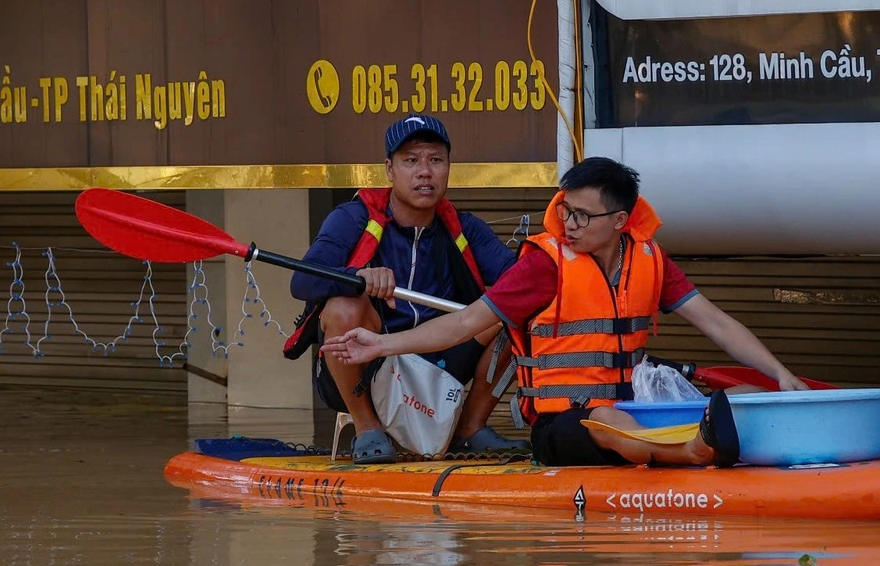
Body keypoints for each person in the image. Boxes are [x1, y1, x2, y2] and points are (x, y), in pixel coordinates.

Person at [322, 156, 810, 468]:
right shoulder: (544, 264)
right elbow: (468, 322)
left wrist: (781, 375)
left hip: (633, 408)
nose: (568, 224)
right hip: (562, 427)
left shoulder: (649, 260)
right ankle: (688, 452)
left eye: (581, 215)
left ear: (620, 221)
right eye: (565, 210)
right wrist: (383, 343)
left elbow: (717, 322)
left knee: (746, 393)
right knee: (607, 420)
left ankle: (769, 438)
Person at [285, 113, 527, 464]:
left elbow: (518, 281)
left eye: (435, 160)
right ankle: (367, 428)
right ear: (389, 169)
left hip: (442, 358)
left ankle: (470, 430)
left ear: (448, 167)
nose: (424, 172)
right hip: (369, 363)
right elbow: (302, 282)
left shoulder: (466, 228)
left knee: (516, 312)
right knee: (342, 306)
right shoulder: (353, 218)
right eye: (411, 161)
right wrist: (358, 277)